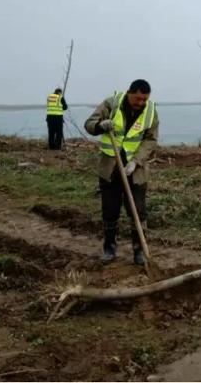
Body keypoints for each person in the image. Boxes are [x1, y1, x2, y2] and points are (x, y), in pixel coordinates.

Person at [84, 80, 159, 265]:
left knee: (138, 211)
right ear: (129, 93)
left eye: (144, 99)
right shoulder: (111, 104)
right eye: (137, 98)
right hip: (110, 168)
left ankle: (139, 250)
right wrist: (100, 126)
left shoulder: (150, 111)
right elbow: (89, 124)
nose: (141, 103)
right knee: (110, 209)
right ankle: (109, 247)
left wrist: (136, 161)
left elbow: (151, 140)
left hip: (136, 170)